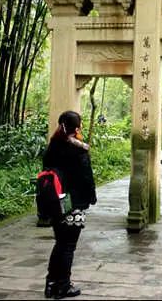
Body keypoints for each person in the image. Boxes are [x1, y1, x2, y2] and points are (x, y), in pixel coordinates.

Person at [43, 111, 97, 299]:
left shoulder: (53, 146)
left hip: (56, 200)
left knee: (60, 242)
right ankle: (63, 285)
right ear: (77, 128)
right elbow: (86, 178)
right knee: (68, 245)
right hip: (73, 202)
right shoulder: (78, 150)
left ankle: (51, 284)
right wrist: (91, 199)